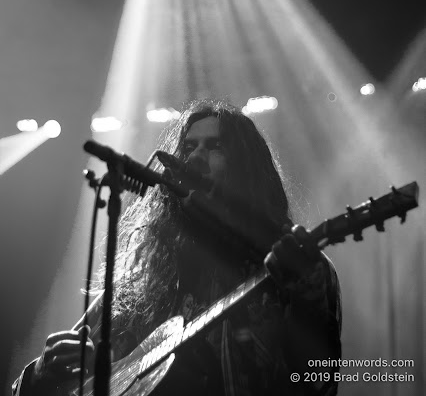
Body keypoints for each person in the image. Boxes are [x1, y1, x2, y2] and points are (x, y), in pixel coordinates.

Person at [12, 99, 341, 396]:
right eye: (189, 146)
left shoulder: (294, 266)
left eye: (215, 147)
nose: (196, 156)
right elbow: (24, 389)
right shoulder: (142, 280)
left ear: (247, 170)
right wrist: (42, 373)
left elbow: (319, 380)